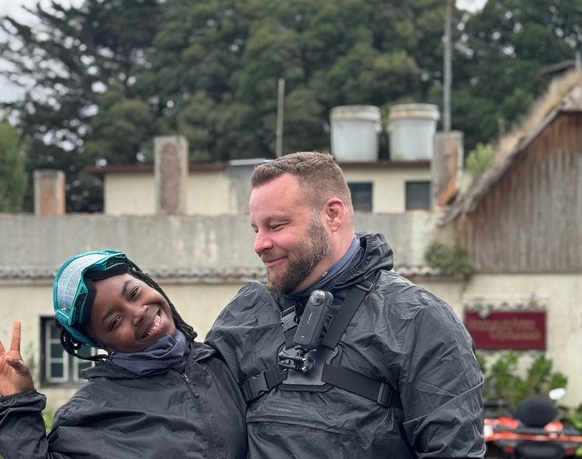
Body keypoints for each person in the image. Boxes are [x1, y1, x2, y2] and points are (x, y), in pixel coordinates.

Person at [206, 151, 485, 458]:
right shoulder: (244, 315)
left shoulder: (419, 320)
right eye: (256, 229)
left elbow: (454, 452)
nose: (259, 245)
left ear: (333, 215)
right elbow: (196, 424)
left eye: (276, 225)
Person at [0, 250, 247, 459]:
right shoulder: (91, 415)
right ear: (104, 344)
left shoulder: (221, 361)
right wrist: (18, 404)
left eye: (134, 293)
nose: (138, 312)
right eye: (116, 321)